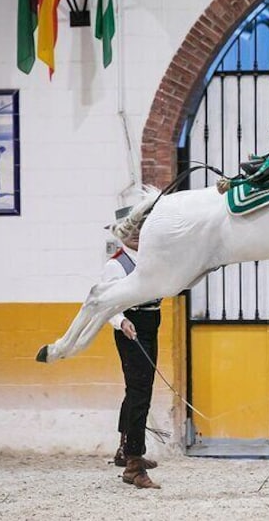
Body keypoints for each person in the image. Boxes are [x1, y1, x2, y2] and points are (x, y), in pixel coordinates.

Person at [104, 206, 162, 489]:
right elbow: (107, 304)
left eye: (141, 227)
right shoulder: (115, 265)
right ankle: (134, 464)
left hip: (152, 322)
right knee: (140, 393)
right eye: (131, 229)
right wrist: (121, 321)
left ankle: (124, 448)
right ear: (121, 233)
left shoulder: (153, 259)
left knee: (139, 389)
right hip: (132, 327)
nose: (137, 233)